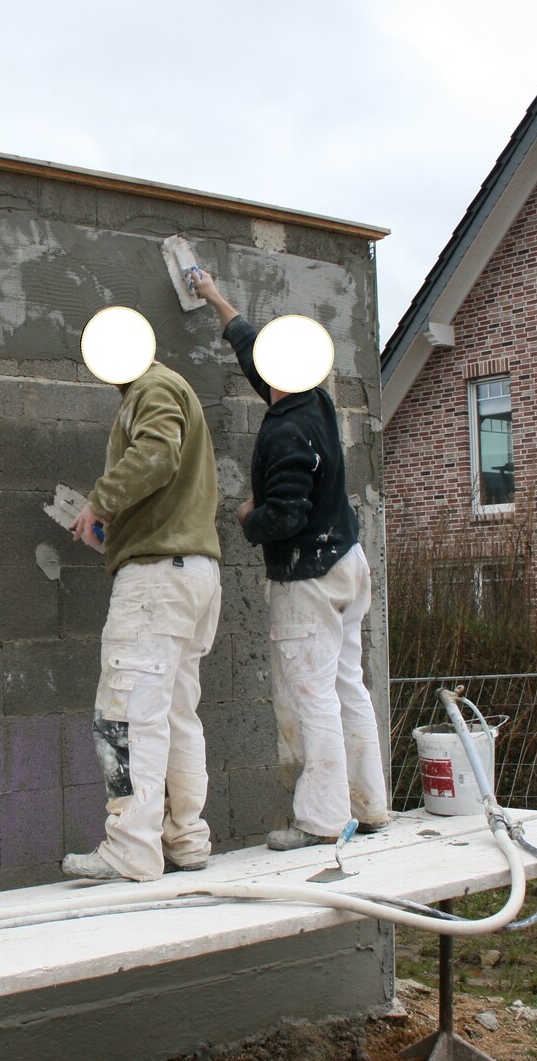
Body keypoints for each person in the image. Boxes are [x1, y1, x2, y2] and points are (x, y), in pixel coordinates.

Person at [191, 268, 390, 850]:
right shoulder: (315, 400)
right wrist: (216, 300)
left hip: (310, 576)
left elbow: (285, 516)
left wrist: (247, 516)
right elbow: (258, 354)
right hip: (347, 563)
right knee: (346, 684)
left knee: (310, 695)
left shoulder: (284, 435)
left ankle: (322, 820)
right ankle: (369, 806)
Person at [63, 306, 223, 882]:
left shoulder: (151, 387)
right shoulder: (175, 389)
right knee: (177, 714)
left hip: (157, 579)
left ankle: (131, 846)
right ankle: (185, 839)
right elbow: (166, 469)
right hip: (193, 572)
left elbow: (157, 454)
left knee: (126, 712)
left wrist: (100, 500)